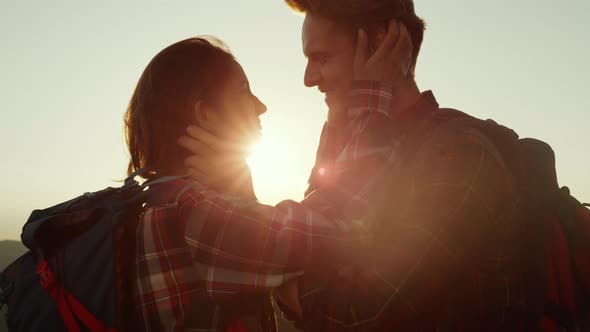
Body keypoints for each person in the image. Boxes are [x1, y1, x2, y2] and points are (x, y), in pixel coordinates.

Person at [179, 0, 537, 331]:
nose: (308, 78)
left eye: (320, 57)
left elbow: (363, 314)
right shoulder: (349, 149)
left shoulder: (458, 154)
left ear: (380, 44)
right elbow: (319, 246)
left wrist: (275, 273)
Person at [126, 30, 412, 331]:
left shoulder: (170, 202)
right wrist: (371, 97)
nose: (260, 106)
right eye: (244, 92)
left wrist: (238, 188)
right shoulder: (192, 212)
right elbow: (345, 227)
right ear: (206, 114)